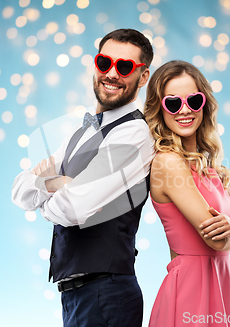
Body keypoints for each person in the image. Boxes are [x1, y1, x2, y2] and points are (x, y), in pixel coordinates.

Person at [11, 28, 154, 327]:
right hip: (76, 296)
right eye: (105, 63)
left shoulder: (133, 134)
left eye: (125, 67)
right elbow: (19, 191)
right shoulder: (81, 131)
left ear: (143, 77)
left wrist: (48, 199)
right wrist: (56, 184)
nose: (112, 74)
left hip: (107, 293)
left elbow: (73, 208)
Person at [143, 60, 230, 327]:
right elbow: (217, 242)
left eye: (193, 101)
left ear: (204, 104)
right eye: (173, 103)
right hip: (190, 292)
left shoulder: (209, 167)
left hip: (222, 283)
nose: (185, 110)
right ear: (159, 110)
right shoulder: (167, 163)